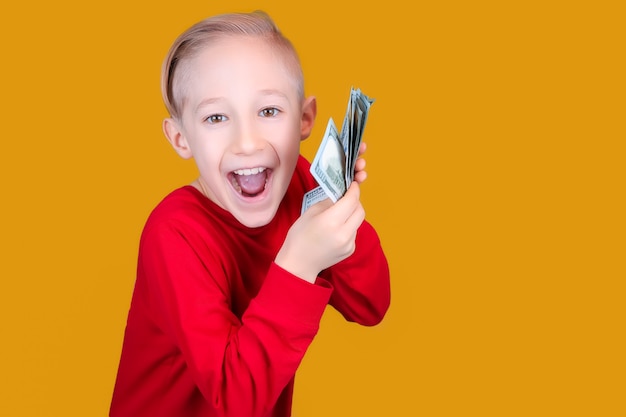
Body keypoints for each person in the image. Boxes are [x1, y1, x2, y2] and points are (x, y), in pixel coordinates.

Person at [110, 10, 390, 417]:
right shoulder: (172, 234)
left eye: (269, 111)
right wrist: (299, 264)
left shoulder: (303, 186)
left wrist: (341, 205)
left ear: (304, 120)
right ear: (180, 138)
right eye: (216, 117)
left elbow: (370, 304)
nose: (246, 141)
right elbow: (236, 399)